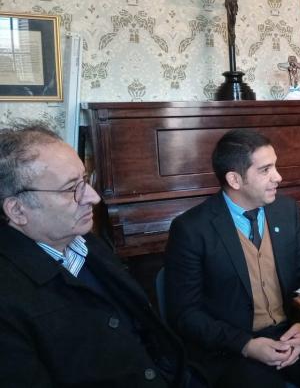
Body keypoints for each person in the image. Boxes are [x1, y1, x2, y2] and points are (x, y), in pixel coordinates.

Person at [0, 125, 202, 387]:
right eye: (71, 189)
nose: (94, 197)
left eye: (85, 180)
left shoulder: (86, 242)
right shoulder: (8, 295)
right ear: (17, 210)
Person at [164, 129, 300, 388]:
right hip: (231, 348)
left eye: (275, 166)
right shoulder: (191, 229)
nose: (278, 177)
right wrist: (246, 345)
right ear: (235, 180)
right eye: (265, 170)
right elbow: (185, 314)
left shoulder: (286, 210)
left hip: (291, 333)